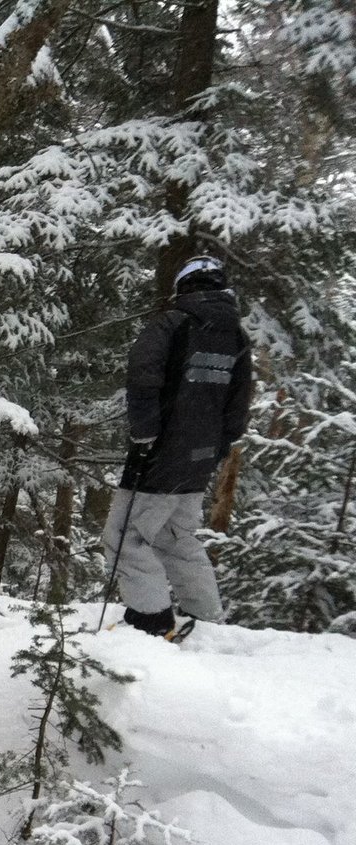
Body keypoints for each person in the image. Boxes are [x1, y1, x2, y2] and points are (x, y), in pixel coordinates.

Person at [103, 254, 253, 637]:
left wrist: (144, 435)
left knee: (124, 539)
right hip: (200, 458)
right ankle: (205, 619)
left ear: (182, 286)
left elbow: (143, 377)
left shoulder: (171, 324)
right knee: (176, 536)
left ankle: (152, 620)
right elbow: (239, 401)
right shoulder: (236, 336)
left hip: (161, 453)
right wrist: (218, 447)